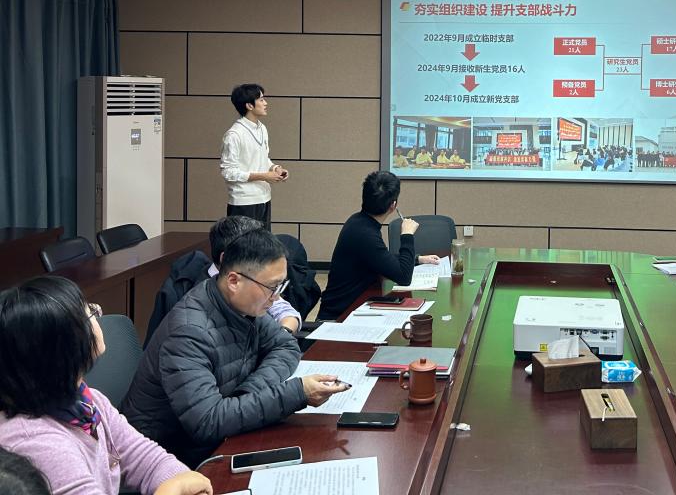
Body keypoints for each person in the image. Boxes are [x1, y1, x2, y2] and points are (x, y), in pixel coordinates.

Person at [122, 230, 347, 467]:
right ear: (234, 281)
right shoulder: (189, 332)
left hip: (219, 439)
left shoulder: (242, 305)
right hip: (164, 457)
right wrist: (296, 393)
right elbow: (207, 422)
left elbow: (286, 346)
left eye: (281, 286)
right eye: (272, 287)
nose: (276, 298)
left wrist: (247, 394)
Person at [0, 276, 212, 495]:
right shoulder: (36, 443)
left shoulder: (86, 400)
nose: (97, 316)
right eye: (90, 313)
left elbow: (145, 458)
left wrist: (183, 482)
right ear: (61, 347)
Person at [319, 171, 441, 320]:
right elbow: (404, 277)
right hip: (338, 318)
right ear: (393, 206)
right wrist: (407, 235)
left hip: (354, 307)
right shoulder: (366, 234)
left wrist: (417, 259)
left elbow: (379, 257)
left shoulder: (359, 221)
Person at [207, 216, 302, 332]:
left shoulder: (258, 286)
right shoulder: (203, 305)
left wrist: (283, 334)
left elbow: (285, 313)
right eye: (255, 249)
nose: (275, 296)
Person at [220, 83, 288, 232]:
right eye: (261, 100)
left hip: (264, 197)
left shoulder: (262, 128)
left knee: (264, 245)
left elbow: (263, 158)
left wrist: (275, 168)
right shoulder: (234, 135)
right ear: (249, 105)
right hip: (243, 202)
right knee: (244, 246)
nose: (266, 103)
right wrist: (264, 176)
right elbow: (228, 172)